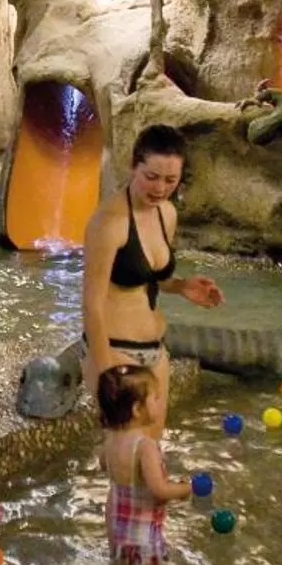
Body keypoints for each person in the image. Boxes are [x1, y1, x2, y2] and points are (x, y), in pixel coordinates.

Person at [80, 124, 223, 413]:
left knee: (152, 451)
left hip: (155, 352)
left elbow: (150, 279)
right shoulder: (108, 223)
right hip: (115, 351)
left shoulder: (167, 214)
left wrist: (182, 286)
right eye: (151, 177)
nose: (160, 188)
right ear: (133, 167)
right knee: (124, 453)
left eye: (171, 180)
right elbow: (91, 304)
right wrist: (108, 370)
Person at [96, 363, 190, 565]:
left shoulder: (111, 439)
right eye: (156, 398)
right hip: (141, 532)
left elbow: (104, 466)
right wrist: (186, 489)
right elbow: (159, 490)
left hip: (117, 526)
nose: (161, 403)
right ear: (138, 409)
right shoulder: (145, 446)